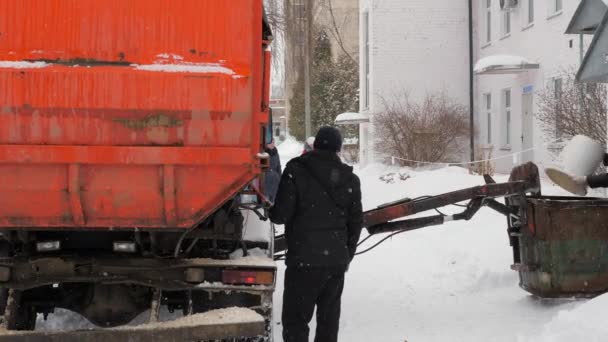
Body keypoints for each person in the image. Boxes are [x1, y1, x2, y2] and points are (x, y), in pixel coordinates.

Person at [269, 126, 363, 342]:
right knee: (328, 323)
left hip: (302, 262)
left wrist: (270, 208)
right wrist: (346, 254)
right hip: (335, 264)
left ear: (315, 145)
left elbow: (280, 216)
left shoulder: (295, 170)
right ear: (338, 149)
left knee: (296, 322)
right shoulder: (350, 180)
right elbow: (356, 222)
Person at [264, 139, 282, 203]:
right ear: (266, 144)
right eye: (270, 142)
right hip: (265, 180)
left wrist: (280, 178)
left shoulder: (275, 152)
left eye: (273, 142)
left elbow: (278, 166)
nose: (272, 144)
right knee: (266, 201)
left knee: (274, 200)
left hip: (275, 179)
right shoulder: (263, 153)